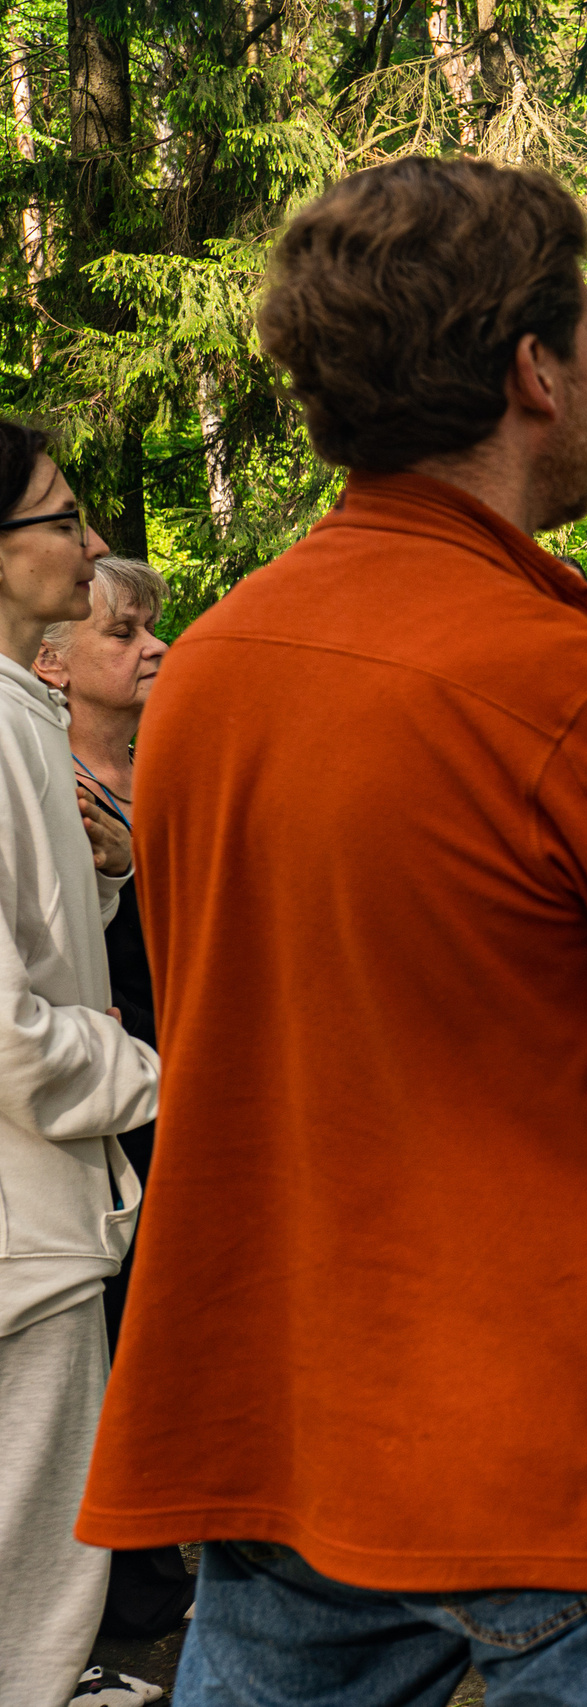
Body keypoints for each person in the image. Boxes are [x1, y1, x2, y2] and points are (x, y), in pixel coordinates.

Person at [74, 158, 587, 1707]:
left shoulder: (217, 671)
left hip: (285, 1420)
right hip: (573, 1449)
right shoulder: (568, 682)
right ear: (531, 372)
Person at [0, 425, 163, 1707]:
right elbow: (7, 1028)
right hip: (21, 1232)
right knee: (29, 1602)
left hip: (50, 1210)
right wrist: (167, 1080)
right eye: (62, 518)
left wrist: (99, 885)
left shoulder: (22, 716)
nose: (91, 540)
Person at [31, 556, 196, 1644]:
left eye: (154, 631)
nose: (154, 650)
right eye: (124, 634)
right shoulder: (40, 785)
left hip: (195, 1074)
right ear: (52, 659)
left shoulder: (177, 769)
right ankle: (118, 1581)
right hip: (106, 1089)